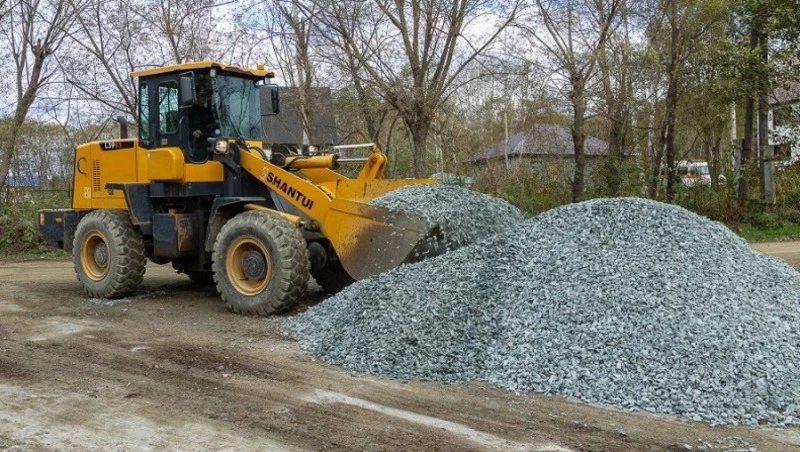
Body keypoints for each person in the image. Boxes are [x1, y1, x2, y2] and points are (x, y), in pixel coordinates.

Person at [187, 88, 216, 160]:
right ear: (196, 96)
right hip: (195, 142)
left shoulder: (208, 111)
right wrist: (192, 132)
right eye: (202, 95)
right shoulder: (189, 111)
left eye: (205, 95)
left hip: (208, 138)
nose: (204, 97)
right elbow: (185, 125)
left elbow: (213, 123)